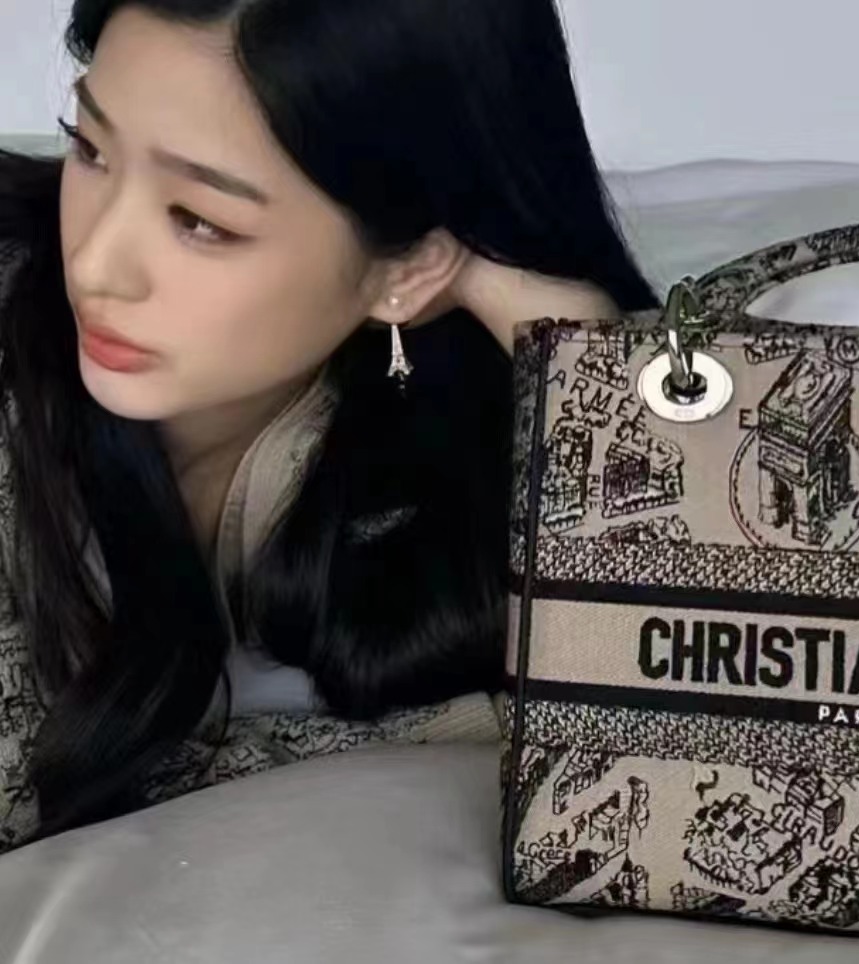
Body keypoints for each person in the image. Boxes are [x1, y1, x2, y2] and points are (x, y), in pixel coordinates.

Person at [0, 0, 656, 851]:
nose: (96, 265)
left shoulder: (466, 466)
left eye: (199, 220)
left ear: (413, 267)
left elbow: (682, 744)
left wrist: (576, 346)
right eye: (89, 148)